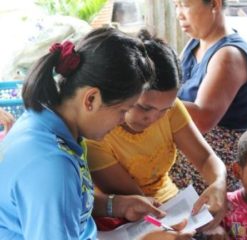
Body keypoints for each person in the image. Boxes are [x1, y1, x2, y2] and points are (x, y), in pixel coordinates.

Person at [0, 27, 193, 240]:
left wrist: (117, 205)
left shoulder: (50, 124)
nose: (122, 121)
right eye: (122, 110)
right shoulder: (51, 165)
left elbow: (69, 204)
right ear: (91, 99)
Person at [86, 29, 227, 233]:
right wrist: (180, 228)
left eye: (164, 110)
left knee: (218, 232)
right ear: (125, 92)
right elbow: (140, 205)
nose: (152, 119)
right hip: (127, 216)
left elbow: (205, 159)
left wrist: (219, 183)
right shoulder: (99, 132)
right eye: (144, 108)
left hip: (171, 204)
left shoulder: (170, 109)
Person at [170, 0, 247, 194]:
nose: (179, 14)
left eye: (185, 5)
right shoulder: (196, 43)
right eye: (176, 5)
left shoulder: (228, 55)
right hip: (191, 146)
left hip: (215, 161)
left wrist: (148, 99)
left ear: (214, 4)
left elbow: (202, 120)